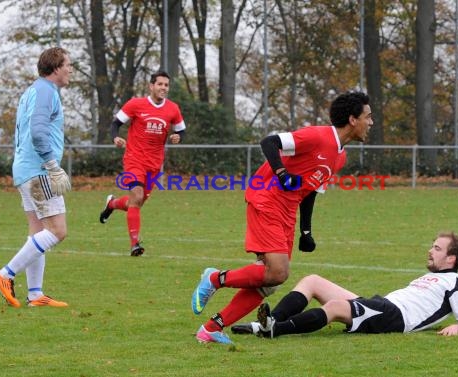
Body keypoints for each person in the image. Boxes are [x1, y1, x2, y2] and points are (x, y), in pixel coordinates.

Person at [191, 91, 374, 344]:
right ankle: (214, 278)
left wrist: (306, 232)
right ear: (353, 120)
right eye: (368, 116)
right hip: (266, 198)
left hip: (287, 209)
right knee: (277, 272)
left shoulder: (340, 155)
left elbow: (311, 192)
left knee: (269, 282)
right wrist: (281, 172)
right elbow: (269, 142)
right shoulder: (318, 136)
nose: (371, 122)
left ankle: (212, 328)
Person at [232, 232, 458, 338]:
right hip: (384, 305)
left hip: (396, 318)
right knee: (312, 281)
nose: (430, 251)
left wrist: (457, 329)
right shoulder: (430, 278)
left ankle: (276, 330)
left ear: (451, 258)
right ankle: (266, 323)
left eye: (437, 248)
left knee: (337, 307)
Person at [0, 47, 73, 308]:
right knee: (57, 231)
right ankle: (5, 274)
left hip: (25, 168)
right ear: (56, 67)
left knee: (37, 232)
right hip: (39, 170)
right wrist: (52, 164)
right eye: (68, 65)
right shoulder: (47, 91)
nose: (71, 69)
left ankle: (35, 294)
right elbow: (38, 132)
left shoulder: (31, 91)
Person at [99, 71, 186, 256]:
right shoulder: (135, 104)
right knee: (136, 198)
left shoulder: (172, 108)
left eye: (166, 85)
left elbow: (181, 129)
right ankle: (135, 244)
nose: (163, 88)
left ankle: (112, 204)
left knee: (136, 202)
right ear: (151, 86)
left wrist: (178, 136)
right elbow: (115, 124)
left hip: (154, 164)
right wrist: (115, 138)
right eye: (160, 84)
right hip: (134, 159)